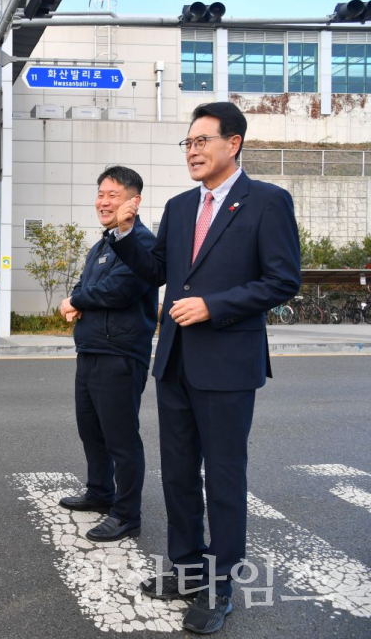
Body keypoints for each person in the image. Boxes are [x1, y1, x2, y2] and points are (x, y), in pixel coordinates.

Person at [111, 102, 301, 634]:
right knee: (177, 474)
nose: (192, 151)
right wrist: (126, 232)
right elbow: (158, 270)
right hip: (175, 361)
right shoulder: (178, 207)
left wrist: (214, 306)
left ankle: (219, 586)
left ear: (233, 143)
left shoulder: (267, 201)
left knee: (222, 477)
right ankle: (186, 568)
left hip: (227, 364)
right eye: (188, 143)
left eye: (202, 141)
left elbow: (282, 280)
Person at [58, 166, 157, 543]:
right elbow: (85, 285)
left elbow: (120, 290)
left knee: (121, 437)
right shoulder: (101, 244)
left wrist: (76, 301)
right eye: (101, 194)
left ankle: (127, 514)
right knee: (91, 429)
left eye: (113, 195)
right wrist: (76, 298)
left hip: (121, 353)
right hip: (91, 348)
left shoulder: (142, 243)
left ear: (134, 201)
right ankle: (100, 491)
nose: (103, 201)